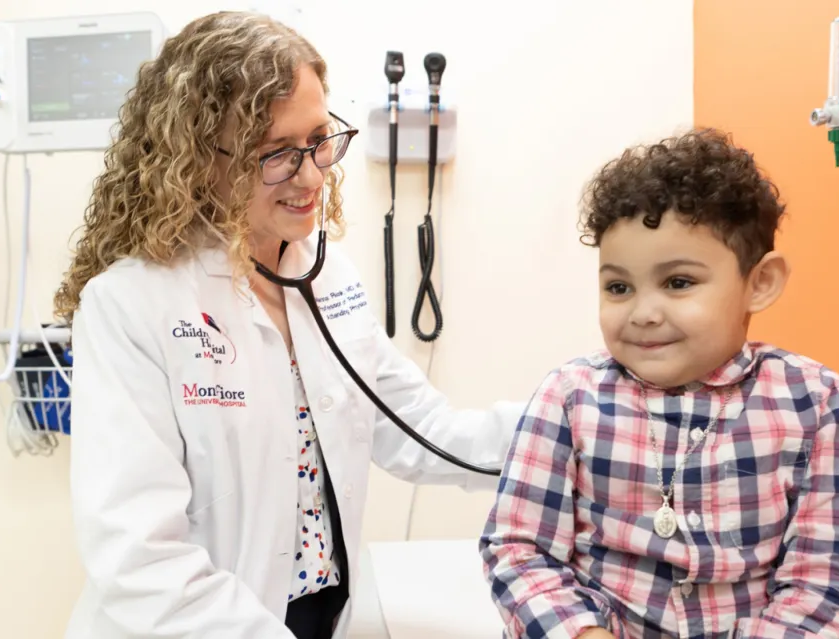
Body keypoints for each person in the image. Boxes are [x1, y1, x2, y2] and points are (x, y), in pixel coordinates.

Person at [52, 12, 524, 639]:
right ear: (195, 157)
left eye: (319, 140)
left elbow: (419, 428)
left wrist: (568, 427)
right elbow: (141, 560)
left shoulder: (329, 277)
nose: (310, 175)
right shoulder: (131, 306)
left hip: (320, 617)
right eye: (274, 153)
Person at [478, 129, 839, 638]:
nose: (644, 313)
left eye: (678, 282)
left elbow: (828, 578)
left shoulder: (813, 401)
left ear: (760, 282)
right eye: (618, 287)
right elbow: (518, 548)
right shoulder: (569, 397)